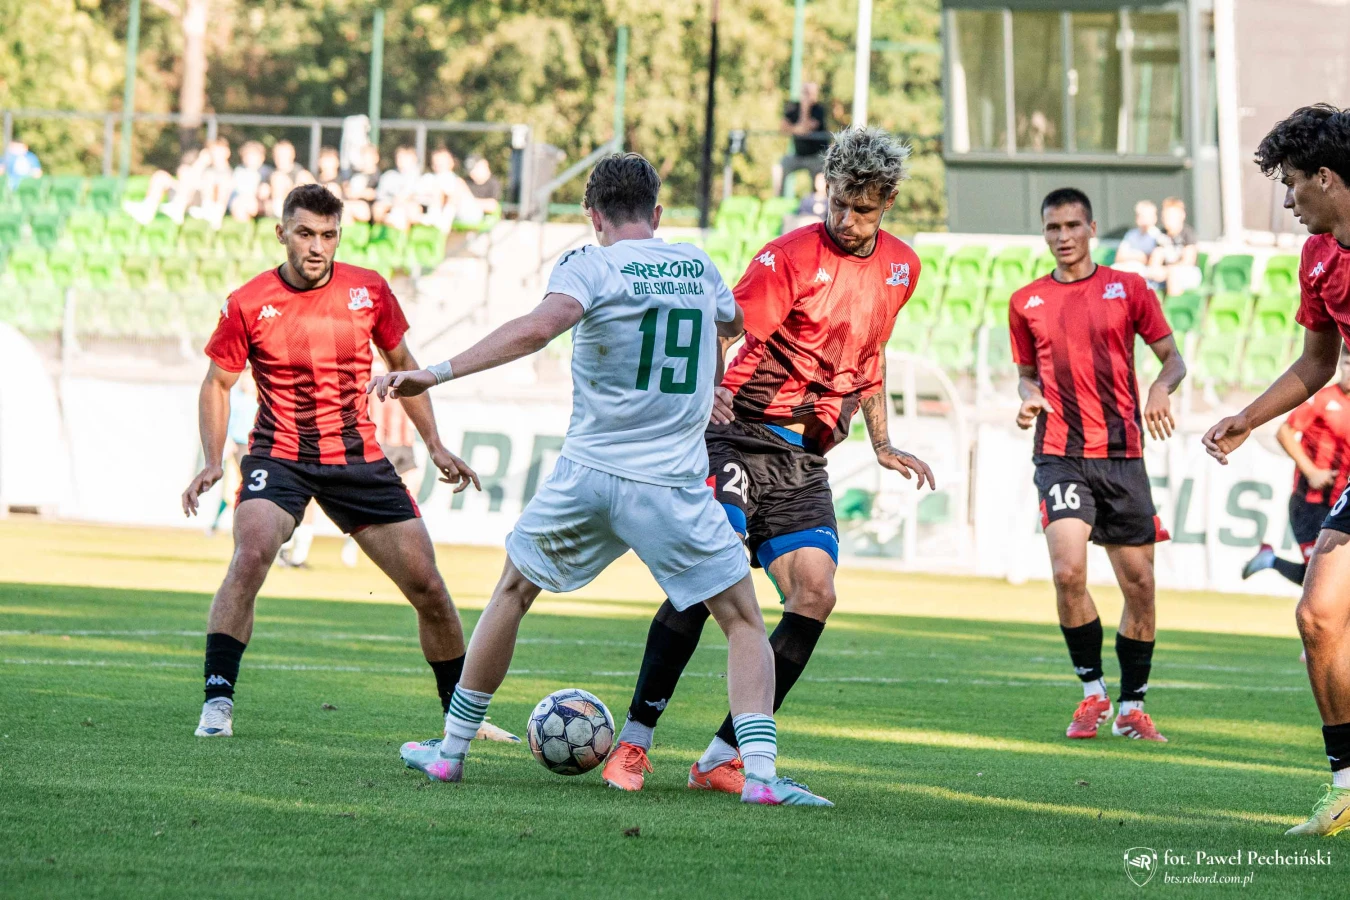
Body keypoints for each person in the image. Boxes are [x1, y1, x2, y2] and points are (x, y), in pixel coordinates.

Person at [370, 152, 831, 806]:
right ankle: (758, 777)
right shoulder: (696, 265)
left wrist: (434, 372)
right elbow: (731, 323)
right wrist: (711, 376)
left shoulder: (588, 264)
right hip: (671, 485)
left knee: (512, 592)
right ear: (657, 213)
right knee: (743, 621)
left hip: (588, 476)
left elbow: (539, 328)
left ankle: (450, 753)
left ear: (593, 216)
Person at [597, 126, 935, 795]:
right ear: (826, 188)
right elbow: (723, 327)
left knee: (816, 593)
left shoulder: (902, 267)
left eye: (862, 209)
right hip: (739, 432)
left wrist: (882, 441)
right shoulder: (788, 257)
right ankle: (633, 742)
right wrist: (709, 396)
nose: (846, 219)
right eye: (837, 202)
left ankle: (722, 756)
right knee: (712, 569)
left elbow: (872, 352)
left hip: (804, 458)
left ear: (888, 201)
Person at [180, 182, 516, 745]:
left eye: (329, 235)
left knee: (429, 588)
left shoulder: (369, 290)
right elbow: (217, 383)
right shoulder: (247, 302)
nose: (317, 246)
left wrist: (435, 444)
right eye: (305, 233)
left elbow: (405, 366)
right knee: (252, 552)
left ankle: (463, 718)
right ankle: (217, 703)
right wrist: (214, 460)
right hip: (280, 453)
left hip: (356, 457)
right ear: (281, 233)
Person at [1202, 104, 1350, 835]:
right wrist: (1248, 418)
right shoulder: (1319, 257)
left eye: (1291, 184)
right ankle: (1347, 786)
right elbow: (1318, 362)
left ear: (1326, 177)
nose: (1288, 202)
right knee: (1318, 615)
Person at [1011, 188, 1186, 745]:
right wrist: (1028, 398)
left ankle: (1132, 707)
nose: (1062, 236)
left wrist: (1159, 389)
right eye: (1052, 227)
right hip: (1059, 453)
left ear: (1090, 228)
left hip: (1122, 456)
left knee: (1141, 587)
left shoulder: (1129, 288)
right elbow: (1026, 375)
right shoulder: (1025, 301)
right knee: (1068, 572)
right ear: (1044, 232)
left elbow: (1173, 359)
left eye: (1071, 225)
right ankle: (1093, 692)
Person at [1243, 353, 1350, 586]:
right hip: (1310, 503)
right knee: (1322, 580)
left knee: (1331, 580)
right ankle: (1271, 560)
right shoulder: (1322, 399)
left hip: (1341, 504)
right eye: (1348, 363)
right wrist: (1311, 472)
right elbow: (1284, 432)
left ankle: (1270, 559)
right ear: (1340, 365)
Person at [772, 82, 829, 196]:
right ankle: (779, 199)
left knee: (820, 180)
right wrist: (798, 129)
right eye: (805, 92)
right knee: (779, 168)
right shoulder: (793, 107)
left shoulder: (818, 109)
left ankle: (817, 202)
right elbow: (783, 127)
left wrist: (805, 110)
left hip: (816, 157)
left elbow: (806, 128)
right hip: (798, 156)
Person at [1154, 197, 1202, 296]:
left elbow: (1188, 261)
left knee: (1173, 274)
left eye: (1170, 217)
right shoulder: (1161, 234)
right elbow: (1155, 260)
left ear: (1181, 216)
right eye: (1165, 216)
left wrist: (1169, 270)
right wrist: (1157, 270)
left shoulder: (1187, 234)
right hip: (1165, 272)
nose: (1166, 220)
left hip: (1188, 272)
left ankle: (1173, 304)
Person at [374, 146, 425, 230]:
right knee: (378, 209)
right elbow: (380, 195)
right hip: (390, 204)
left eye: (405, 158)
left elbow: (419, 196)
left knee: (411, 210)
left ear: (414, 159)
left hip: (408, 205)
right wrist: (392, 202)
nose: (401, 161)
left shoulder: (419, 177)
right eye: (399, 157)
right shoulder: (388, 176)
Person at [1113, 200, 1162, 285]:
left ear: (1154, 218)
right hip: (1125, 268)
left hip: (1145, 274)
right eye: (1140, 215)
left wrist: (1132, 256)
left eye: (1146, 216)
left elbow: (1152, 260)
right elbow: (1119, 257)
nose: (1142, 219)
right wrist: (1139, 256)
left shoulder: (1158, 236)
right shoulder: (1130, 234)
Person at [264, 140, 313, 218]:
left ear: (292, 155)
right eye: (277, 155)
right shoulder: (271, 174)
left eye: (283, 155)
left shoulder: (302, 174)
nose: (280, 158)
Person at [228, 141, 269, 222]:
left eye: (254, 157)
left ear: (262, 158)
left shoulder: (266, 171)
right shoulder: (239, 171)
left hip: (259, 201)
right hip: (241, 199)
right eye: (247, 157)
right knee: (240, 206)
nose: (251, 160)